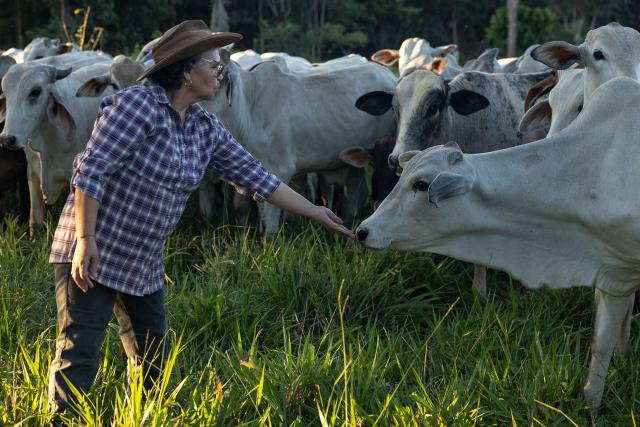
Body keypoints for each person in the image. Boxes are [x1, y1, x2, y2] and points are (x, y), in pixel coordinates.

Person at [47, 20, 354, 416]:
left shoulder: (204, 126)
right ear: (186, 71)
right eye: (213, 64)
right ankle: (62, 420)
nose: (220, 72)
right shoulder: (136, 106)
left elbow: (256, 176)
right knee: (80, 352)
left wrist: (315, 210)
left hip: (141, 259)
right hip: (92, 248)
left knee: (152, 355)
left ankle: (142, 418)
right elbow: (91, 171)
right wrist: (86, 240)